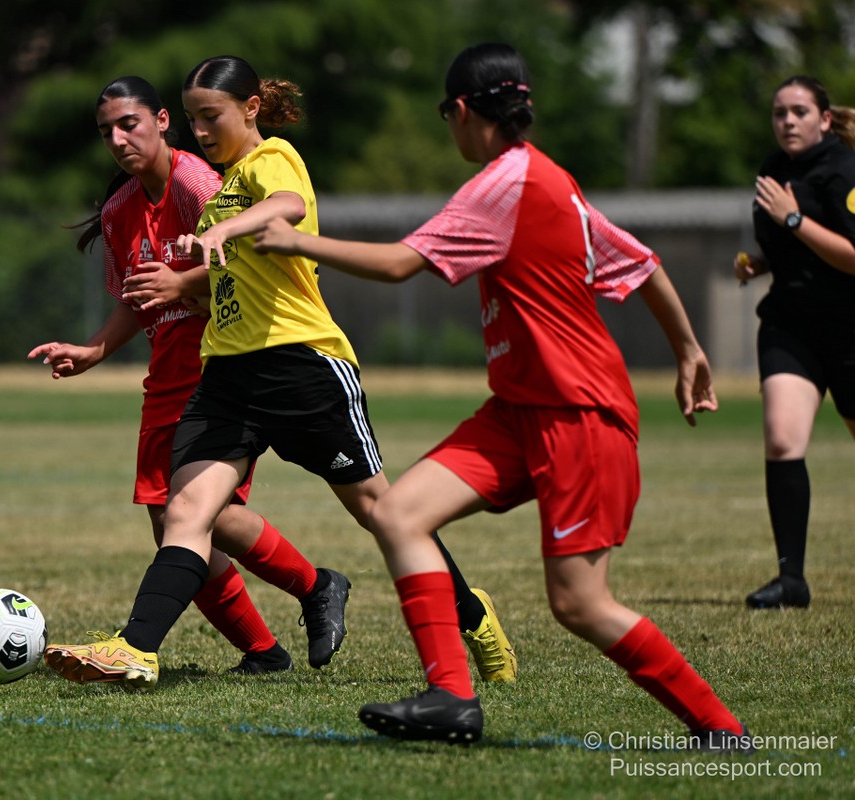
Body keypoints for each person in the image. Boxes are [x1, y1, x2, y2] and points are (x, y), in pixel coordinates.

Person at [253, 42, 751, 751]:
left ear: (461, 111)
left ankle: (721, 728)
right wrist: (689, 349)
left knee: (580, 604)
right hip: (519, 413)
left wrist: (297, 242)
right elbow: (642, 264)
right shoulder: (551, 179)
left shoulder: (507, 181)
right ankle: (452, 699)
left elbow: (398, 264)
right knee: (398, 513)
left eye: (444, 116)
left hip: (578, 413)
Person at [44, 55, 515, 690]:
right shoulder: (219, 192)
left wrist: (224, 233)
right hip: (227, 374)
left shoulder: (272, 159)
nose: (201, 131)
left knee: (382, 512)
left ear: (251, 109)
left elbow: (288, 206)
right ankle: (136, 648)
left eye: (211, 117)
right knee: (185, 512)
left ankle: (473, 616)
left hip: (299, 364)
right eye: (194, 119)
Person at [28, 75, 351, 678]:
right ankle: (274, 638)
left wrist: (181, 283)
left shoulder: (197, 182)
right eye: (106, 132)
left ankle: (302, 600)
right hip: (166, 369)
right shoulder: (121, 208)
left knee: (195, 516)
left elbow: (245, 260)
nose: (118, 140)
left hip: (217, 360)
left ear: (161, 121)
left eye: (129, 124)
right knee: (181, 520)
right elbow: (137, 298)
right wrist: (94, 350)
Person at [734, 75, 855, 610]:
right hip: (791, 325)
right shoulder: (773, 169)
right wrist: (760, 262)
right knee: (783, 441)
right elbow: (794, 248)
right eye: (779, 112)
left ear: (825, 119)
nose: (787, 121)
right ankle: (791, 580)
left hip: (850, 328)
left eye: (799, 111)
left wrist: (794, 218)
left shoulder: (845, 170)